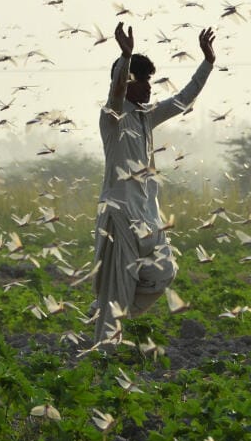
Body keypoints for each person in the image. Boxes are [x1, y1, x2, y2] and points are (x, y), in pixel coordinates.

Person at [91, 22, 215, 347]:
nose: (147, 86)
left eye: (148, 80)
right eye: (140, 80)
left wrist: (208, 62)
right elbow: (116, 93)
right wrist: (125, 56)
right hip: (120, 219)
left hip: (147, 220)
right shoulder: (112, 117)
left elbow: (183, 99)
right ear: (126, 83)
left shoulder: (147, 116)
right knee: (116, 293)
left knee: (164, 271)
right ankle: (105, 352)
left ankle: (107, 311)